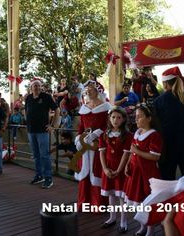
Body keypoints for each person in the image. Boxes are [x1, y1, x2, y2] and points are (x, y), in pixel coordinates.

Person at [153, 66, 184, 180]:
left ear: (165, 84)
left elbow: (155, 127)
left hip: (167, 147)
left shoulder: (158, 101)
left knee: (167, 184)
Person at [123, 105, 162, 236]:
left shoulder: (154, 135)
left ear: (149, 118)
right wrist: (128, 163)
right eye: (136, 117)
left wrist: (137, 151)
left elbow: (155, 156)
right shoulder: (137, 132)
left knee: (148, 202)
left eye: (140, 117)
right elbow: (132, 152)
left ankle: (150, 230)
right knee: (140, 201)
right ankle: (143, 227)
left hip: (147, 173)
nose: (136, 119)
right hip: (136, 171)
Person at [74, 80, 112, 211]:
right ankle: (84, 202)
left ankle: (98, 203)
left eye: (91, 89)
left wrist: (96, 134)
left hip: (98, 145)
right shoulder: (84, 107)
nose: (88, 92)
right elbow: (81, 126)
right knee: (84, 171)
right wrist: (78, 139)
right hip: (85, 144)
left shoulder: (105, 107)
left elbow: (108, 126)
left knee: (96, 171)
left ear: (98, 91)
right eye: (87, 90)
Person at [99, 106, 133, 234]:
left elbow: (126, 154)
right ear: (109, 118)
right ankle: (112, 217)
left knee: (121, 196)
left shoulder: (127, 135)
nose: (115, 120)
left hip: (121, 168)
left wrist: (119, 170)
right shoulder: (104, 134)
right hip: (108, 167)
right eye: (113, 117)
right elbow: (102, 153)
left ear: (124, 119)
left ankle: (123, 221)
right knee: (111, 193)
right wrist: (105, 169)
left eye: (119, 117)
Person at [26, 78, 60, 189]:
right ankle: (39, 175)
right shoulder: (28, 98)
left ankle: (48, 178)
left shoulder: (46, 97)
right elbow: (26, 111)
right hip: (31, 131)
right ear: (31, 87)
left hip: (42, 131)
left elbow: (57, 110)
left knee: (44, 155)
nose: (36, 87)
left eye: (38, 85)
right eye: (34, 86)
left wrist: (53, 125)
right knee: (36, 154)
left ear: (40, 87)